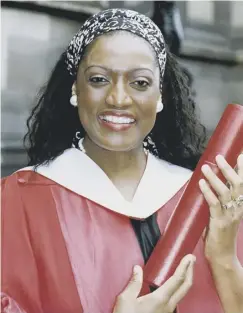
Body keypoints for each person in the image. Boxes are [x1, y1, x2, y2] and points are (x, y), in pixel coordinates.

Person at [1, 8, 243, 313]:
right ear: (76, 88)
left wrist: (223, 257)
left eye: (140, 83)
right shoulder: (19, 200)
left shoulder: (202, 199)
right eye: (99, 79)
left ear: (161, 95)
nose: (118, 98)